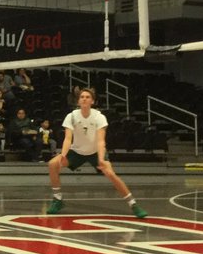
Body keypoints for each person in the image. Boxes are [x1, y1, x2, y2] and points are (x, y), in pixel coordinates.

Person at [47, 88, 146, 218]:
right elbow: (68, 138)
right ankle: (57, 199)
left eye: (87, 97)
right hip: (76, 151)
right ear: (78, 101)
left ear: (93, 101)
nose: (84, 99)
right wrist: (63, 155)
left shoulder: (99, 117)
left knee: (110, 174)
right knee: (52, 164)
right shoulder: (71, 116)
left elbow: (100, 141)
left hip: (95, 152)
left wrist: (101, 159)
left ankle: (133, 204)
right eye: (82, 97)